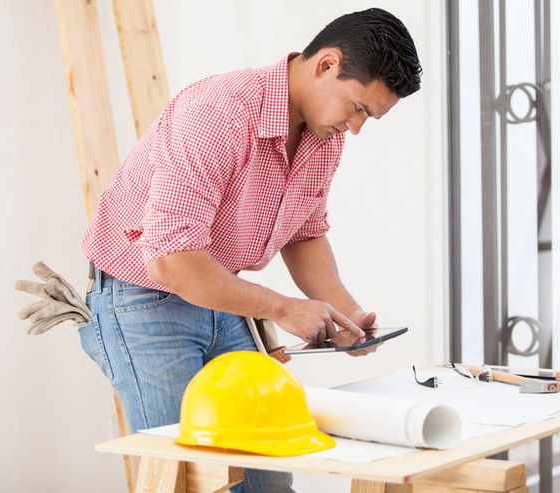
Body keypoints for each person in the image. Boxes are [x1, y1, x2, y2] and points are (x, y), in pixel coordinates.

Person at [79, 7, 421, 492]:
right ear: (326, 64)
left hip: (225, 296)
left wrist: (345, 316)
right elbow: (173, 261)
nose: (357, 127)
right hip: (147, 298)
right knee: (191, 479)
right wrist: (282, 308)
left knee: (265, 482)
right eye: (359, 107)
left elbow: (304, 233)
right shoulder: (217, 113)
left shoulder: (324, 135)